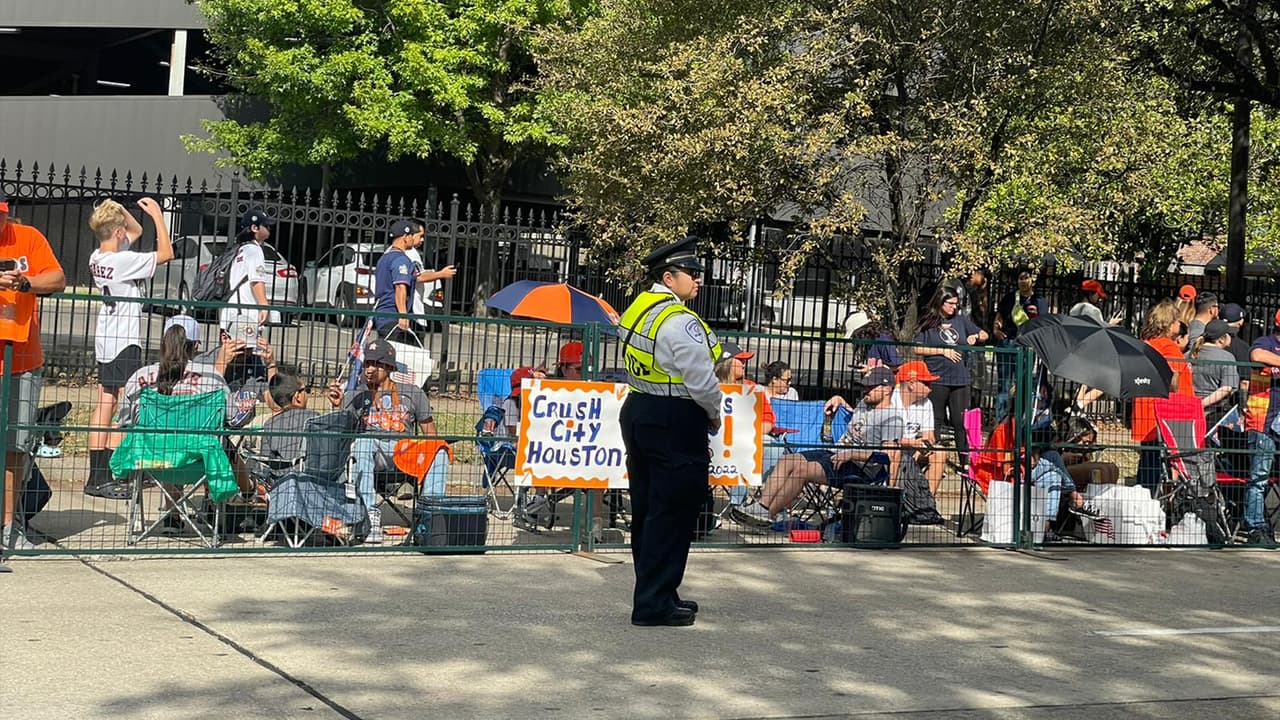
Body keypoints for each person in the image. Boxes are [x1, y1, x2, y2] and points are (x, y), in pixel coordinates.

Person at [617, 235, 721, 627]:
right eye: (691, 274)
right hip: (675, 416)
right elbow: (701, 378)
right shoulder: (679, 320)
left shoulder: (639, 308)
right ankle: (654, 603)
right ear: (668, 276)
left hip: (640, 409)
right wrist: (713, 413)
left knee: (647, 508)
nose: (698, 280)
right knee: (673, 509)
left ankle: (658, 591)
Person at [85, 197, 174, 500]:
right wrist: (159, 217)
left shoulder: (97, 257)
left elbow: (132, 231)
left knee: (105, 403)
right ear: (117, 233)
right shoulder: (122, 261)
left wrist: (118, 210)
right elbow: (166, 253)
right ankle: (108, 471)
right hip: (124, 339)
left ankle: (96, 475)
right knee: (128, 404)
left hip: (106, 337)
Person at [736, 367, 903, 526]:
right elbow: (857, 420)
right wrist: (839, 399)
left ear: (887, 389)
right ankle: (761, 506)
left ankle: (767, 515)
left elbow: (888, 455)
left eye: (871, 387)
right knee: (787, 460)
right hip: (834, 453)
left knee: (802, 470)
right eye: (865, 386)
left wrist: (852, 454)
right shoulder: (865, 405)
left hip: (860, 468)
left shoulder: (892, 418)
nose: (865, 390)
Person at [0, 193, 66, 560]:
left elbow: (57, 278)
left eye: (2, 216)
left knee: (16, 447)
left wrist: (24, 283)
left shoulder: (28, 237)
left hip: (23, 359)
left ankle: (9, 528)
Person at [325, 339, 439, 544]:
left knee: (439, 450)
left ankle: (431, 516)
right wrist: (339, 405)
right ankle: (370, 518)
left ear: (388, 367)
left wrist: (429, 453)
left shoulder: (412, 392)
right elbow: (341, 433)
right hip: (373, 454)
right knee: (363, 442)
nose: (368, 369)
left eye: (374, 363)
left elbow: (431, 433)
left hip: (405, 453)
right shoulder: (356, 394)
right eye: (366, 363)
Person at [914, 286, 986, 470]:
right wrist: (942, 351)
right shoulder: (929, 322)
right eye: (951, 303)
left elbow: (984, 334)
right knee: (935, 420)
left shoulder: (961, 321)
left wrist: (976, 336)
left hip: (960, 380)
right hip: (937, 378)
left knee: (961, 423)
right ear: (941, 301)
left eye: (956, 304)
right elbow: (917, 348)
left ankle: (965, 463)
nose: (954, 307)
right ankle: (934, 461)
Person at [1131, 300, 1194, 494]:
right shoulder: (1168, 347)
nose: (1179, 325)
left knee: (1148, 464)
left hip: (1147, 412)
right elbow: (1173, 382)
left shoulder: (1145, 343)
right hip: (1166, 416)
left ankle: (1144, 503)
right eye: (1176, 320)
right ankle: (1153, 510)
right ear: (1169, 323)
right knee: (1159, 468)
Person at [1242, 310, 1280, 544]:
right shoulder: (1265, 342)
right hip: (1263, 421)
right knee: (1259, 477)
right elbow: (1256, 355)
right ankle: (1254, 526)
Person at [993, 266, 1047, 420]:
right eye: (1020, 278)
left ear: (1032, 280)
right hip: (1008, 343)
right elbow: (1000, 316)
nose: (1023, 281)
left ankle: (1019, 422)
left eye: (1026, 278)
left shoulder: (1039, 301)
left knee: (1023, 385)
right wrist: (996, 330)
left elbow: (1043, 323)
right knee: (1004, 385)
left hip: (1027, 347)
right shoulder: (1010, 298)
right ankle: (1001, 423)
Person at [372, 218, 426, 346]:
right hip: (394, 318)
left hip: (383, 317)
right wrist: (403, 315)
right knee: (405, 359)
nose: (414, 239)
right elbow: (400, 287)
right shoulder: (401, 260)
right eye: (412, 236)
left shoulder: (385, 258)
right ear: (405, 237)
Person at [219, 207, 274, 332]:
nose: (269, 228)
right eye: (265, 225)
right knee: (245, 350)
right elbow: (256, 280)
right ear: (255, 228)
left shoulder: (239, 250)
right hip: (245, 315)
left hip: (230, 311)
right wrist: (264, 306)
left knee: (228, 350)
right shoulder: (254, 250)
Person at [255, 373, 320, 465]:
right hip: (313, 475)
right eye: (306, 390)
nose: (308, 394)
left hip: (282, 476)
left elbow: (266, 461)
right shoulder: (315, 419)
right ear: (297, 396)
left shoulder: (270, 425)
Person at [403, 219, 457, 329]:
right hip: (412, 311)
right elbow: (418, 276)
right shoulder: (411, 253)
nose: (422, 240)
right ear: (410, 235)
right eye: (420, 236)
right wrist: (441, 274)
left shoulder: (391, 251)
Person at [1189, 319, 1240, 425]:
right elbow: (1226, 388)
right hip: (1213, 413)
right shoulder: (1227, 358)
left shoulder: (1189, 354)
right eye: (1229, 334)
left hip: (1188, 407)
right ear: (1222, 339)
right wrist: (1201, 404)